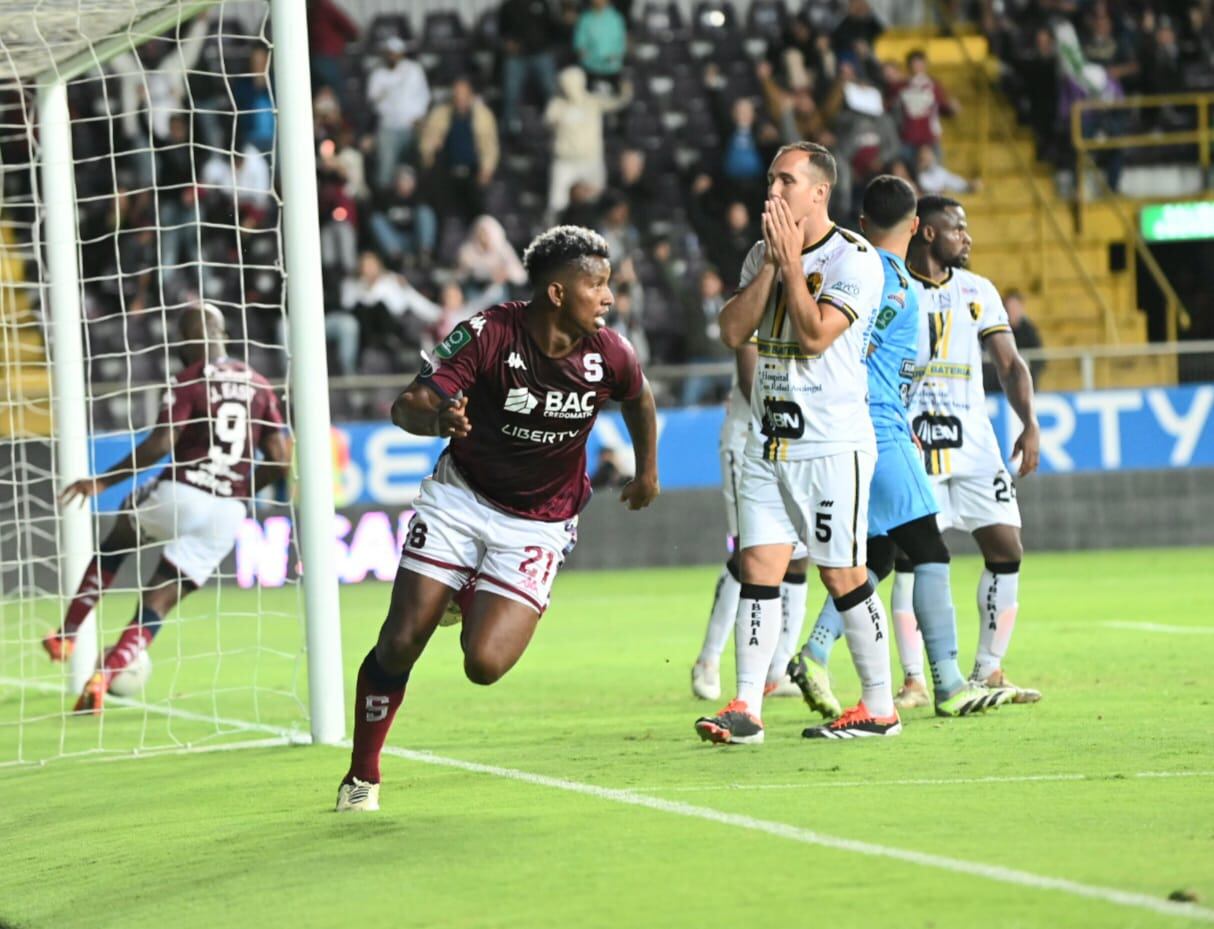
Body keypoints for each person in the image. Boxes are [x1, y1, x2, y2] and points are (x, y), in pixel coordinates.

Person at [335, 226, 659, 812]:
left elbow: (639, 398)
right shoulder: (489, 333)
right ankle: (363, 775)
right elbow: (406, 403)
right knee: (402, 638)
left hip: (540, 522)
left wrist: (647, 472)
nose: (608, 297)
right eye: (596, 285)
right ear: (558, 293)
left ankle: (468, 590)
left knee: (483, 665)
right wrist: (438, 423)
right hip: (463, 499)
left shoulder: (609, 352)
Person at [787, 176, 1017, 720]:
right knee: (930, 553)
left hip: (847, 429)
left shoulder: (847, 270)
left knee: (879, 555)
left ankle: (815, 653)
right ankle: (950, 683)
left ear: (862, 223)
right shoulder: (892, 283)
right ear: (916, 227)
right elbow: (867, 354)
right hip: (879, 429)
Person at [693, 142, 895, 745]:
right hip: (767, 439)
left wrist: (789, 266)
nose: (772, 192)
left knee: (841, 573)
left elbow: (812, 336)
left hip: (831, 444)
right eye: (771, 181)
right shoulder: (763, 253)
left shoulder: (856, 260)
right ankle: (747, 707)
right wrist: (772, 267)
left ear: (818, 193)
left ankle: (880, 706)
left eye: (785, 182)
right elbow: (732, 330)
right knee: (759, 568)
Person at [44, 304, 289, 713]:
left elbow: (161, 444)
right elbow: (282, 459)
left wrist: (102, 481)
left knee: (117, 544)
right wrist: (240, 487)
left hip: (182, 492)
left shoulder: (188, 379)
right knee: (160, 599)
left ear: (186, 341)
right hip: (228, 512)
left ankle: (67, 634)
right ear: (224, 334)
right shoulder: (261, 385)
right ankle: (106, 674)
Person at [892, 196, 1042, 703]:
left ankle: (989, 670)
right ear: (929, 233)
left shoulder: (979, 290)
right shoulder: (895, 288)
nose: (968, 236)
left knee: (1006, 548)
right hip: (914, 440)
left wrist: (1030, 423)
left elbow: (1011, 365)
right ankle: (915, 678)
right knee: (911, 557)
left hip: (975, 445)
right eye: (958, 227)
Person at [690, 342, 807, 703]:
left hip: (796, 443)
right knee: (748, 553)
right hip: (748, 441)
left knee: (800, 554)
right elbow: (749, 381)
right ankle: (708, 660)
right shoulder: (757, 306)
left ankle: (779, 668)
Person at [367, 37, 431, 192]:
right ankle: (385, 200)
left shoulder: (414, 69)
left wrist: (419, 118)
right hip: (388, 126)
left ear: (401, 53)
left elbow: (424, 96)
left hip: (412, 125)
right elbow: (373, 99)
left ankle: (420, 197)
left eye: (395, 53)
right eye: (390, 53)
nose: (392, 56)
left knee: (419, 161)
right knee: (386, 168)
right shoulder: (378, 73)